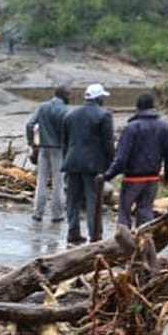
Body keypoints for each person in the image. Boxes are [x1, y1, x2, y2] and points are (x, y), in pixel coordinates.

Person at [103, 92, 168, 229]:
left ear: (138, 107)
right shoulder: (164, 127)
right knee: (146, 211)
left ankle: (124, 245)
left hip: (132, 178)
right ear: (153, 106)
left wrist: (108, 175)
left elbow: (121, 157)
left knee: (124, 212)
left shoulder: (131, 128)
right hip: (153, 177)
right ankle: (145, 243)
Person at [61, 84, 115, 244]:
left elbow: (65, 142)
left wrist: (67, 159)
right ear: (99, 98)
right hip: (94, 164)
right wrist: (111, 164)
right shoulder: (104, 115)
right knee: (93, 200)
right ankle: (95, 234)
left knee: (72, 200)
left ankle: (73, 232)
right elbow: (108, 142)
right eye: (103, 97)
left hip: (72, 162)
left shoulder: (70, 115)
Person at [25, 85, 70, 223]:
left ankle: (38, 212)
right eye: (69, 95)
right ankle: (56, 214)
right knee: (58, 183)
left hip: (43, 148)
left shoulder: (42, 107)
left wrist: (31, 142)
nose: (70, 97)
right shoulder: (65, 111)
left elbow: (29, 125)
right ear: (64, 95)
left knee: (41, 181)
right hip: (58, 149)